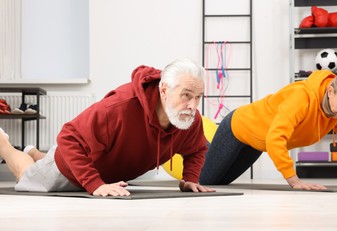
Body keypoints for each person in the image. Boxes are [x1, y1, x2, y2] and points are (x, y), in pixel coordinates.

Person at [0, 58, 215, 196]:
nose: (193, 106)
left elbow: (197, 148)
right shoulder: (120, 107)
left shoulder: (189, 119)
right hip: (71, 169)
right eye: (187, 95)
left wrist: (190, 179)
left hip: (97, 161)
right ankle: (4, 144)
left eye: (198, 97)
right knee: (25, 173)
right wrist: (95, 184)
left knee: (47, 158)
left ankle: (36, 153)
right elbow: (68, 137)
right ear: (164, 90)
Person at [199, 70, 337, 190]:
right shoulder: (301, 98)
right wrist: (294, 181)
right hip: (237, 127)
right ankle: (190, 140)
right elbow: (276, 138)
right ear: (331, 91)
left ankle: (199, 146)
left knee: (218, 183)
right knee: (206, 181)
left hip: (257, 143)